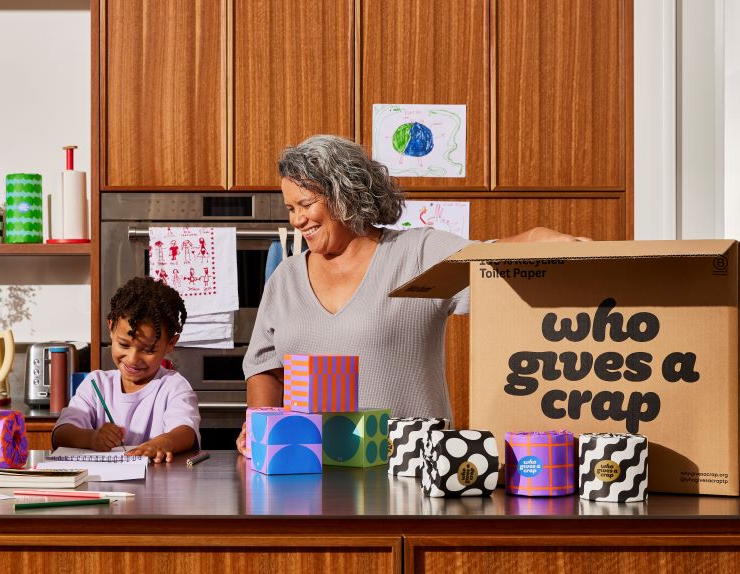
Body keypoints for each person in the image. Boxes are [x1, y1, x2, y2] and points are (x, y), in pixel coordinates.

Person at [237, 135, 590, 454]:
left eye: (306, 204)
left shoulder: (417, 252)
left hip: (411, 466)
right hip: (309, 466)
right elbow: (265, 367)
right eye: (291, 209)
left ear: (345, 193)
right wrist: (258, 428)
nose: (298, 220)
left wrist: (535, 238)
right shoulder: (286, 277)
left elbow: (487, 259)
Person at [53, 276, 201, 463]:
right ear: (111, 328)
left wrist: (164, 442)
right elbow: (61, 433)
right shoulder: (95, 385)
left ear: (171, 343)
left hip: (157, 489)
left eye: (148, 350)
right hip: (103, 489)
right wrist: (92, 438)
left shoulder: (174, 387)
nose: (132, 359)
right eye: (124, 345)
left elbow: (186, 432)